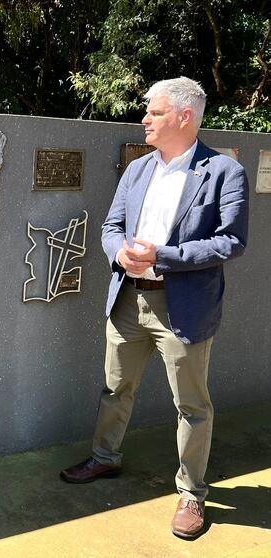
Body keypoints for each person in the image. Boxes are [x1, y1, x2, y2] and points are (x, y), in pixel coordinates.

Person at [59, 77, 249, 539]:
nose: (144, 118)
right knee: (115, 387)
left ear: (185, 117)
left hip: (183, 307)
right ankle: (105, 458)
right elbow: (111, 225)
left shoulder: (224, 172)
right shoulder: (138, 169)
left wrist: (164, 257)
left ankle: (191, 493)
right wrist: (119, 253)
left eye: (154, 111)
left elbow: (231, 241)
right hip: (128, 298)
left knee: (191, 405)